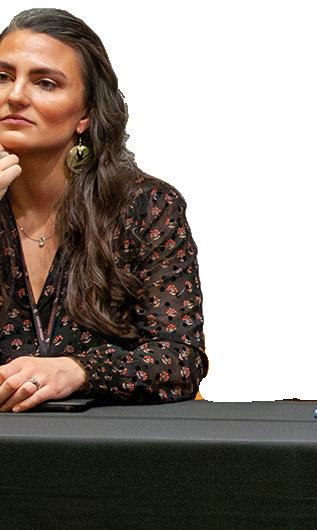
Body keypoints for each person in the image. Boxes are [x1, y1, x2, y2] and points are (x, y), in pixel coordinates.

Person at [0, 8, 206, 412]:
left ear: (86, 115)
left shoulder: (144, 207)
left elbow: (181, 359)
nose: (15, 95)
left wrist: (80, 370)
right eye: (2, 77)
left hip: (105, 441)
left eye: (45, 83)